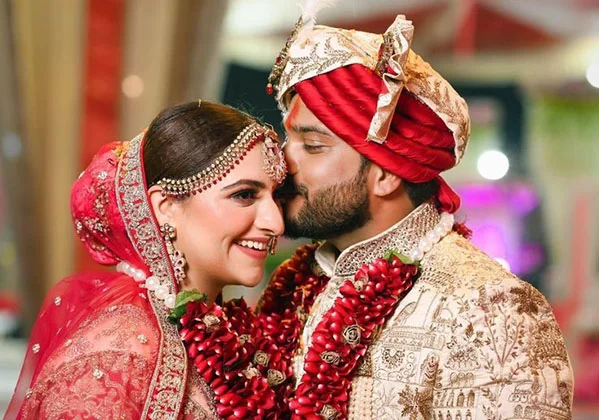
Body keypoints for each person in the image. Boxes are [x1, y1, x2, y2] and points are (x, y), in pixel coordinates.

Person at [261, 7, 574, 420]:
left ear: (386, 174)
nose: (280, 163)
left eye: (313, 146)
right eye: (287, 140)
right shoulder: (298, 286)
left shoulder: (490, 308)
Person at [5, 101, 290, 419]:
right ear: (165, 207)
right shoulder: (113, 362)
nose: (275, 223)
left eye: (277, 197)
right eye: (245, 195)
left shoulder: (227, 332)